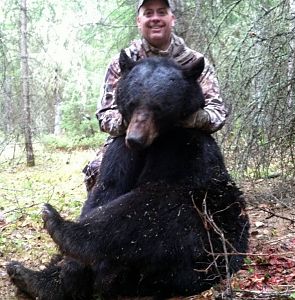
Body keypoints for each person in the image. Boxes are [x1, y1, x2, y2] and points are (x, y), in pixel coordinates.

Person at [83, 0, 227, 192]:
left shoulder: (194, 63)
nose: (155, 18)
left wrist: (178, 118)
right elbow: (105, 116)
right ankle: (100, 219)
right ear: (138, 21)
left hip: (180, 140)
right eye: (148, 13)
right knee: (96, 172)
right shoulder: (124, 62)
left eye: (161, 12)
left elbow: (217, 114)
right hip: (129, 140)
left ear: (172, 19)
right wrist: (136, 122)